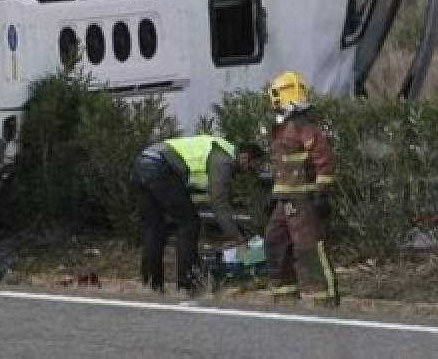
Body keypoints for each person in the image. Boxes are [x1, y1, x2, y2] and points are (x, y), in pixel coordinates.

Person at [134, 132, 264, 295]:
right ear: (244, 158)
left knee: (155, 226)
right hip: (162, 168)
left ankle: (151, 284)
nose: (248, 172)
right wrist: (237, 238)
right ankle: (187, 284)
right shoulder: (223, 161)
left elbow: (196, 196)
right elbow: (219, 203)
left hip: (143, 162)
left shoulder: (218, 152)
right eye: (251, 167)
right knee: (189, 224)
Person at [264, 71, 339, 306]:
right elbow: (283, 167)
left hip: (304, 199)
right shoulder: (282, 127)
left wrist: (321, 193)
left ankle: (324, 299)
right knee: (274, 241)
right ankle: (285, 294)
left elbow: (323, 159)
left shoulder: (303, 127)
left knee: (308, 249)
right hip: (286, 199)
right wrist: (275, 195)